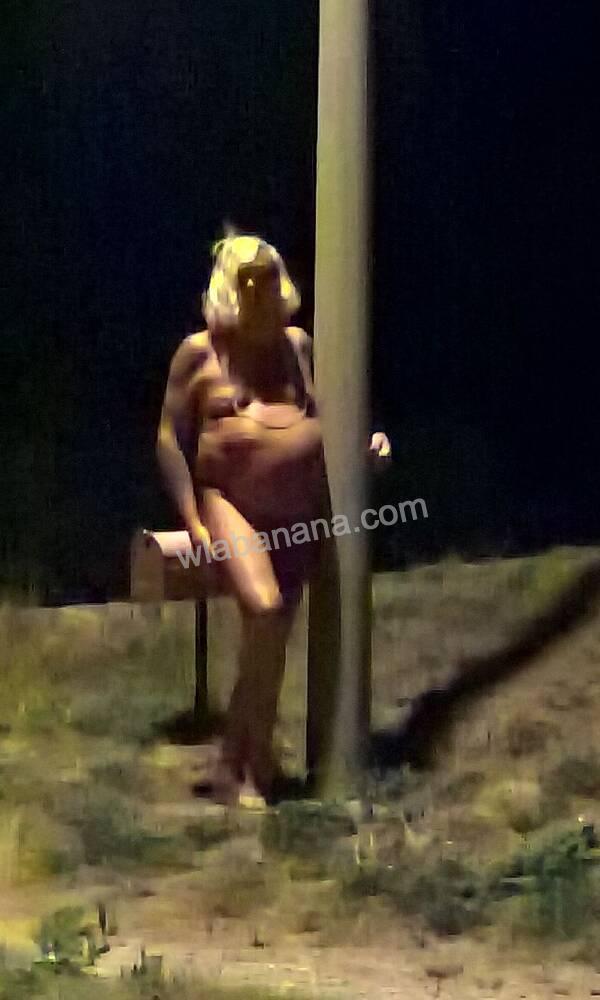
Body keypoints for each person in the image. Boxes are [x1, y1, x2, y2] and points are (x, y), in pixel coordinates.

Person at [157, 232, 390, 805]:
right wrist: (193, 519)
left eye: (267, 278)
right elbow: (168, 438)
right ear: (229, 288)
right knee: (263, 610)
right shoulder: (199, 353)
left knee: (274, 636)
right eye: (248, 281)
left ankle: (240, 765)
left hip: (295, 508)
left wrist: (367, 443)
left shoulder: (297, 345)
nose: (260, 290)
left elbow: (328, 411)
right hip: (231, 503)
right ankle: (250, 758)